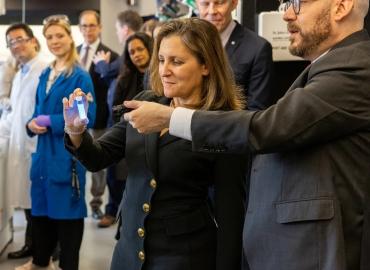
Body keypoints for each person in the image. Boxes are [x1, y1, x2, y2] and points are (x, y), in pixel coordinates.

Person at [123, 0, 370, 269]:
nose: (286, 14)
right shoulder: (329, 66)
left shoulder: (353, 66)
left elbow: (267, 127)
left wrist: (170, 117)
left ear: (341, 7)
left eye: (298, 3)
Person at [64, 18, 247, 270]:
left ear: (206, 65)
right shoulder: (148, 101)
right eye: (161, 60)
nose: (164, 70)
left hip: (183, 256)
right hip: (128, 251)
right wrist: (75, 130)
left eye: (177, 61)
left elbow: (231, 215)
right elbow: (98, 156)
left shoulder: (220, 124)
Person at [16, 15, 96, 270]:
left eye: (59, 35)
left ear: (70, 37)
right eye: (49, 37)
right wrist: (31, 123)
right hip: (42, 157)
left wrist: (48, 121)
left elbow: (86, 117)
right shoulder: (46, 74)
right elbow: (36, 111)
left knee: (68, 219)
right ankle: (40, 262)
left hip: (66, 156)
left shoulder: (80, 77)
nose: (54, 41)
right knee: (40, 215)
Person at [0, 23, 48, 261]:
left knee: (38, 204)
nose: (15, 46)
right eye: (11, 43)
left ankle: (45, 249)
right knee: (31, 206)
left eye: (19, 40)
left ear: (32, 40)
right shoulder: (21, 72)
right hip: (22, 145)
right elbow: (16, 112)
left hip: (37, 146)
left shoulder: (44, 69)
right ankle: (34, 245)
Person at [98, 32, 153, 230]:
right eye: (132, 52)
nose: (137, 54)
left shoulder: (160, 77)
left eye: (140, 49)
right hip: (127, 133)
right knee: (116, 177)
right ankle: (113, 212)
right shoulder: (124, 77)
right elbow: (115, 108)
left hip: (152, 139)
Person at [77, 9, 119, 221]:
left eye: (92, 25)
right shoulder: (73, 53)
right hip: (75, 119)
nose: (87, 30)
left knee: (98, 167)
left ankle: (96, 203)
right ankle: (75, 201)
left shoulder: (110, 55)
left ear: (100, 27)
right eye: (84, 26)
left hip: (100, 117)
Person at [195, 0, 275, 110]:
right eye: (205, 4)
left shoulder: (258, 48)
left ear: (234, 3)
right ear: (196, 4)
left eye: (219, 3)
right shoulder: (187, 42)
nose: (212, 11)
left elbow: (257, 112)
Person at [93, 10, 143, 83]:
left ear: (125, 29)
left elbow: (109, 71)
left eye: (117, 29)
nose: (117, 33)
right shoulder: (141, 44)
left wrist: (100, 61)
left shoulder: (132, 49)